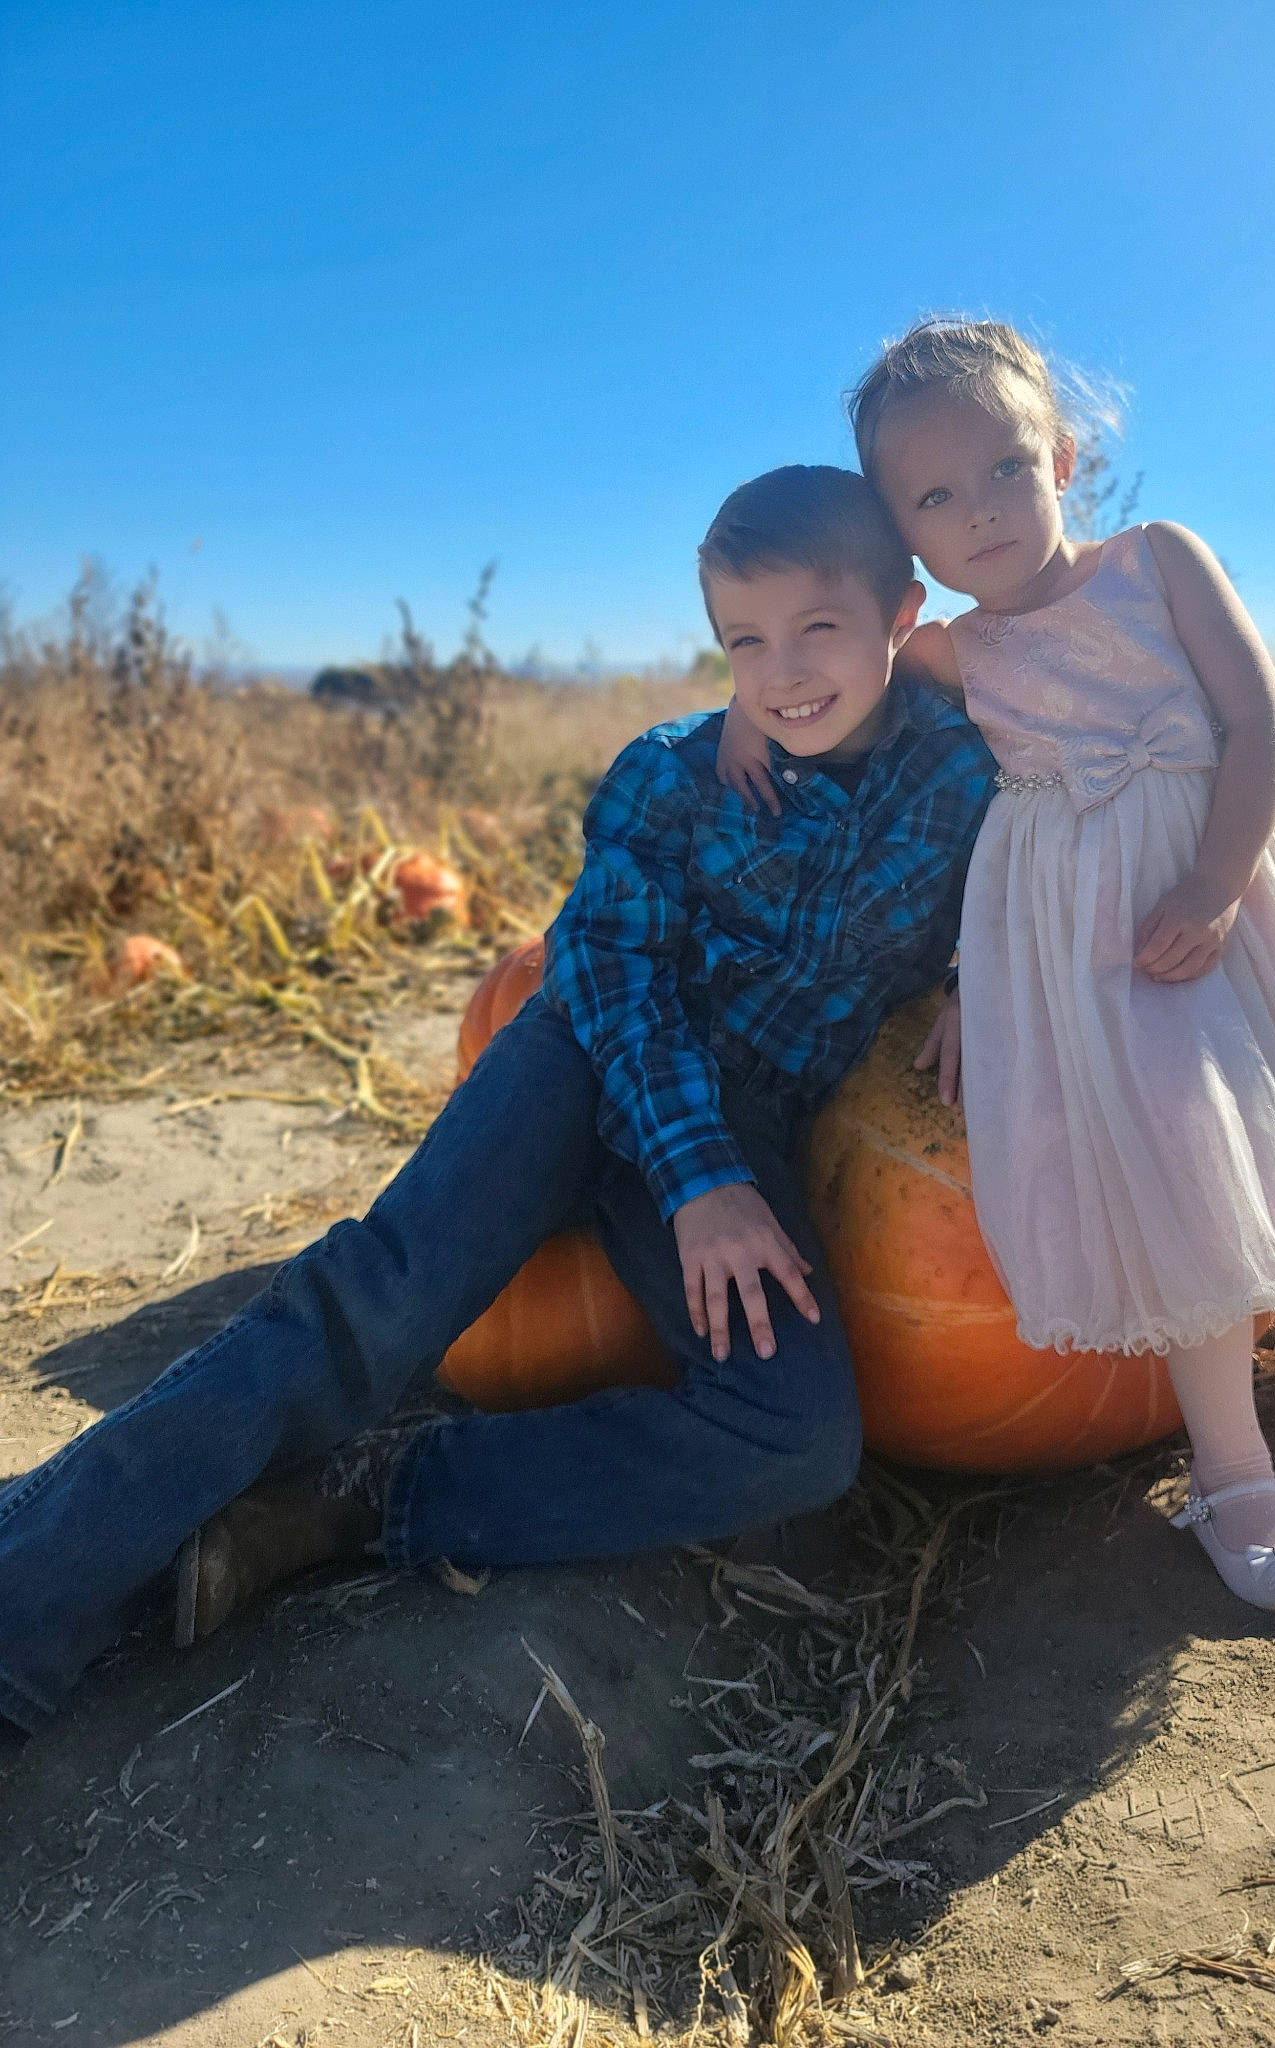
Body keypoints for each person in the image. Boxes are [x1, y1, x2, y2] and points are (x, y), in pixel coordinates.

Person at [0, 465, 998, 1737]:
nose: (782, 671)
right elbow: (612, 975)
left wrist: (978, 970)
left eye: (818, 627)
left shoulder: (962, 778)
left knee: (798, 1438)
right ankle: (23, 1601)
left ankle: (374, 1493)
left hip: (755, 1112)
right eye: (744, 640)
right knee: (376, 1302)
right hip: (581, 1066)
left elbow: (1068, 799)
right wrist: (699, 1178)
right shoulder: (670, 774)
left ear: (901, 616)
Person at [717, 321, 1275, 1616]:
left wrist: (1215, 882)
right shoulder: (950, 655)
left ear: (1062, 457)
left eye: (1004, 468)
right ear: (898, 534)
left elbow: (1259, 720)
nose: (980, 511)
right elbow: (825, 675)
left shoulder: (1158, 561)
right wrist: (739, 719)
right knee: (1192, 1192)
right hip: (1100, 957)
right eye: (933, 497)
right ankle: (1232, 1472)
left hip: (1246, 895)